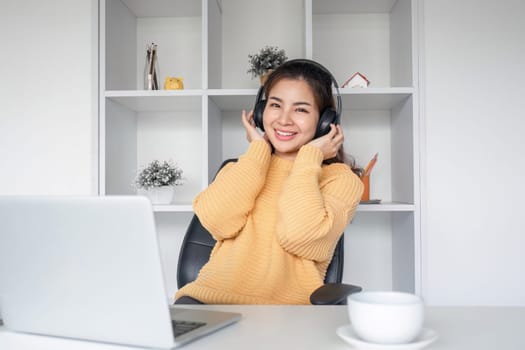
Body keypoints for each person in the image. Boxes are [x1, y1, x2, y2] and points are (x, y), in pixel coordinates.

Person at [175, 59, 363, 305]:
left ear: (324, 121)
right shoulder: (240, 168)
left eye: (301, 109)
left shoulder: (341, 180)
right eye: (275, 105)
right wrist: (257, 151)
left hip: (287, 315)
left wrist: (309, 159)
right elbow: (218, 224)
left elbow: (299, 237)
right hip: (207, 304)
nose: (284, 120)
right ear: (261, 111)